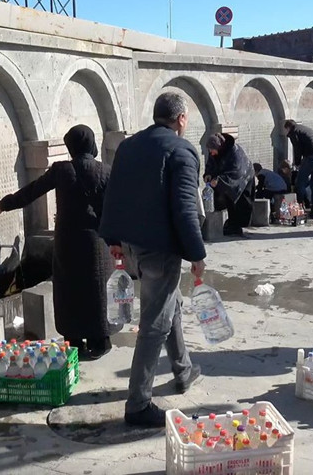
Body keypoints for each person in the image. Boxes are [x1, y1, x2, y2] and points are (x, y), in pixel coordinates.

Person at [99, 92, 204, 427]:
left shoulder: (129, 146)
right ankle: (138, 404)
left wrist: (113, 239)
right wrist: (197, 254)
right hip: (160, 250)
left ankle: (183, 370)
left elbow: (113, 193)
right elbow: (186, 209)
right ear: (181, 119)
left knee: (170, 305)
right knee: (154, 324)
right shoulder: (181, 150)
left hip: (131, 245)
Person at [0, 125, 113, 359]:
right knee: (96, 291)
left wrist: (3, 204)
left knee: (69, 291)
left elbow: (32, 191)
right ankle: (100, 341)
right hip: (96, 243)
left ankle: (74, 341)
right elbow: (115, 207)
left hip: (67, 243)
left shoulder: (61, 170)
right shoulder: (105, 171)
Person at [204, 133, 255, 236]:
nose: (211, 153)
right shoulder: (214, 152)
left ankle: (237, 227)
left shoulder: (235, 152)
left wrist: (219, 180)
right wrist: (208, 174)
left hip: (244, 178)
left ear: (219, 147)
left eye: (212, 150)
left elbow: (237, 172)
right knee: (225, 199)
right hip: (225, 179)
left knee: (241, 203)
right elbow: (211, 164)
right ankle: (230, 224)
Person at [281, 119, 313, 217]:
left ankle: (299, 208)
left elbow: (297, 148)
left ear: (288, 127)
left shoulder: (294, 132)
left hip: (310, 157)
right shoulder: (303, 129)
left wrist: (297, 163)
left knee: (300, 183)